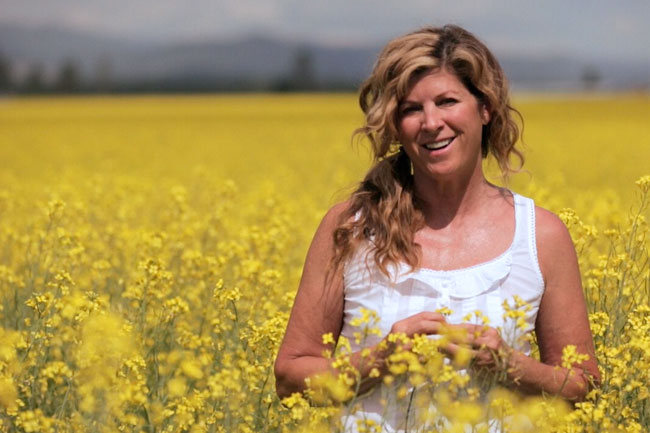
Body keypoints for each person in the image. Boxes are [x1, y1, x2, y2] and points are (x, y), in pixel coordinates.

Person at [274, 25, 599, 431]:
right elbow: (289, 378)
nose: (431, 123)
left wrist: (509, 366)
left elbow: (583, 387)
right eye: (411, 109)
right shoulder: (351, 228)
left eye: (447, 101)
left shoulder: (541, 236)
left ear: (485, 109)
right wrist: (377, 362)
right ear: (395, 125)